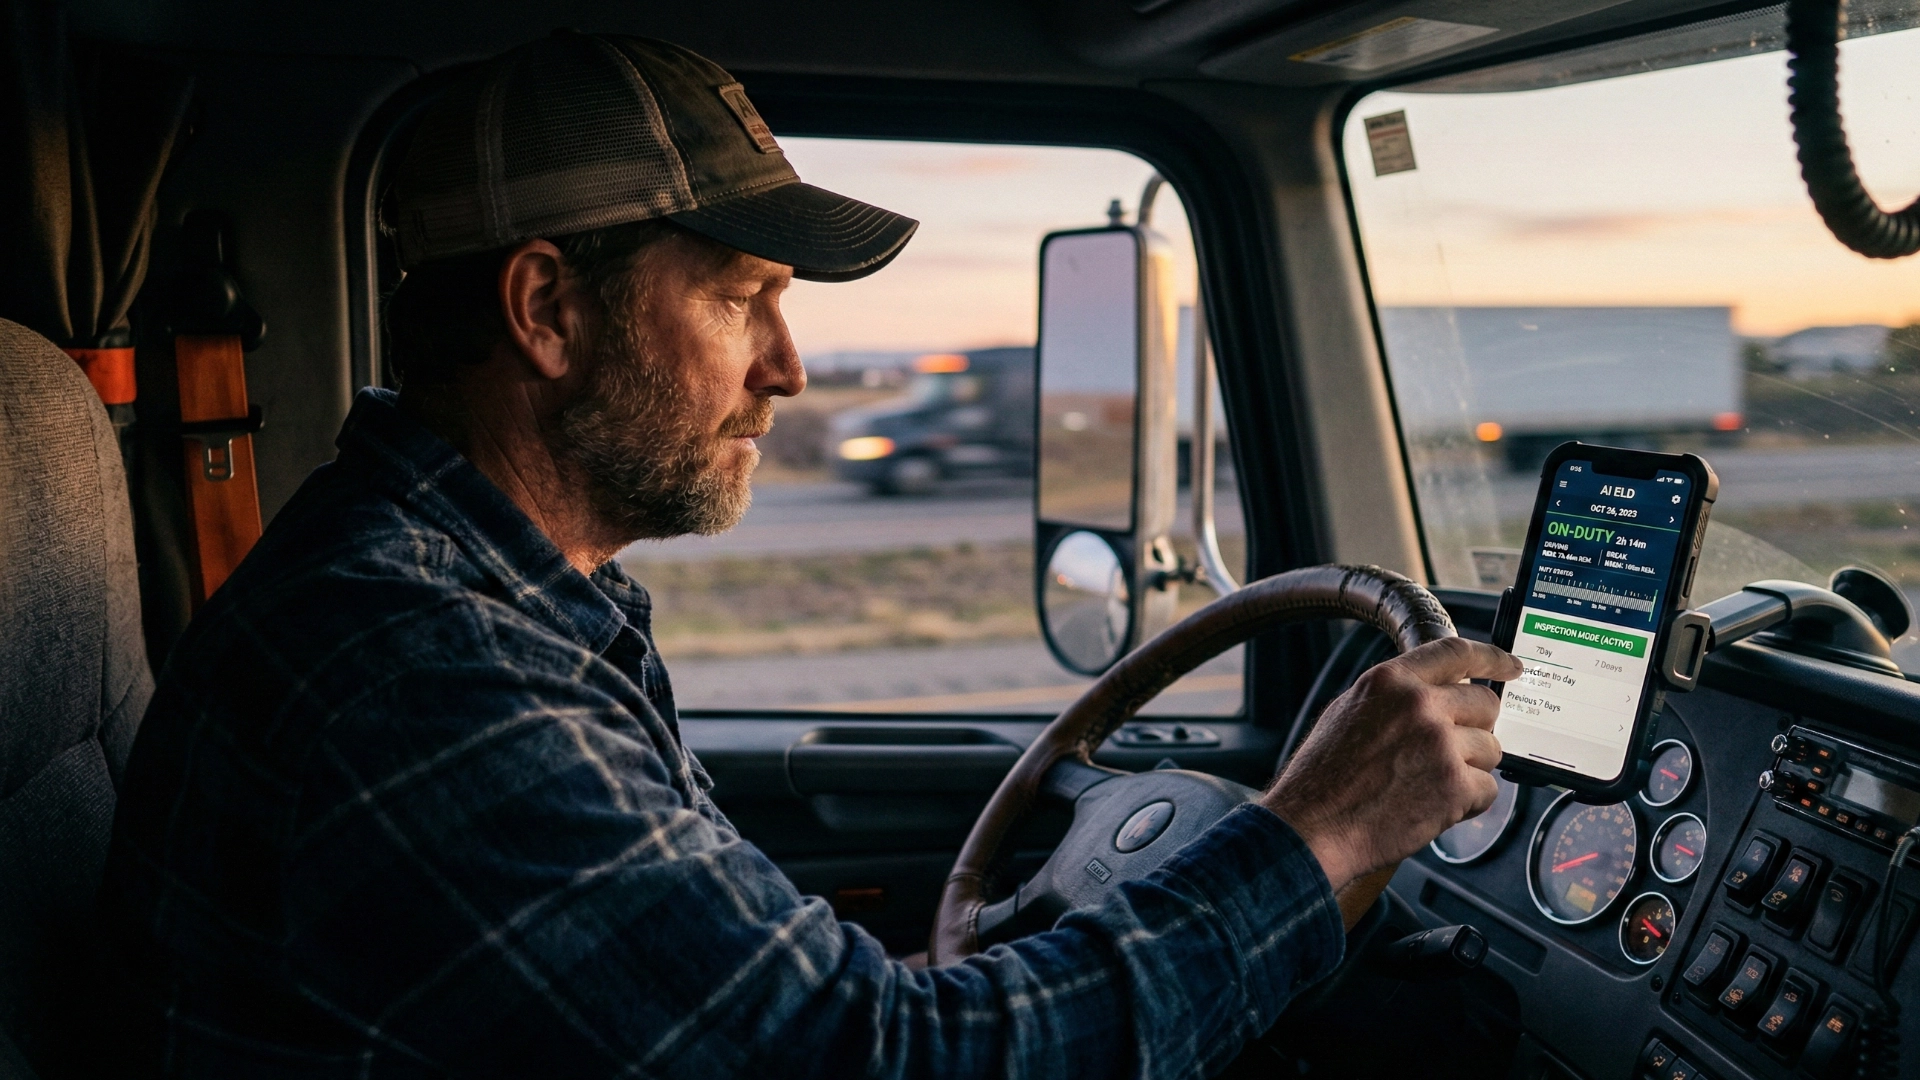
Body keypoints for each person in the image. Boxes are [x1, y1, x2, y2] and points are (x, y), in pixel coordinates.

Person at [101, 32, 1522, 1078]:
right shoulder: (417, 676)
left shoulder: (508, 602)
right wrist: (1318, 829)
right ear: (546, 311)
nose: (789, 367)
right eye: (738, 300)